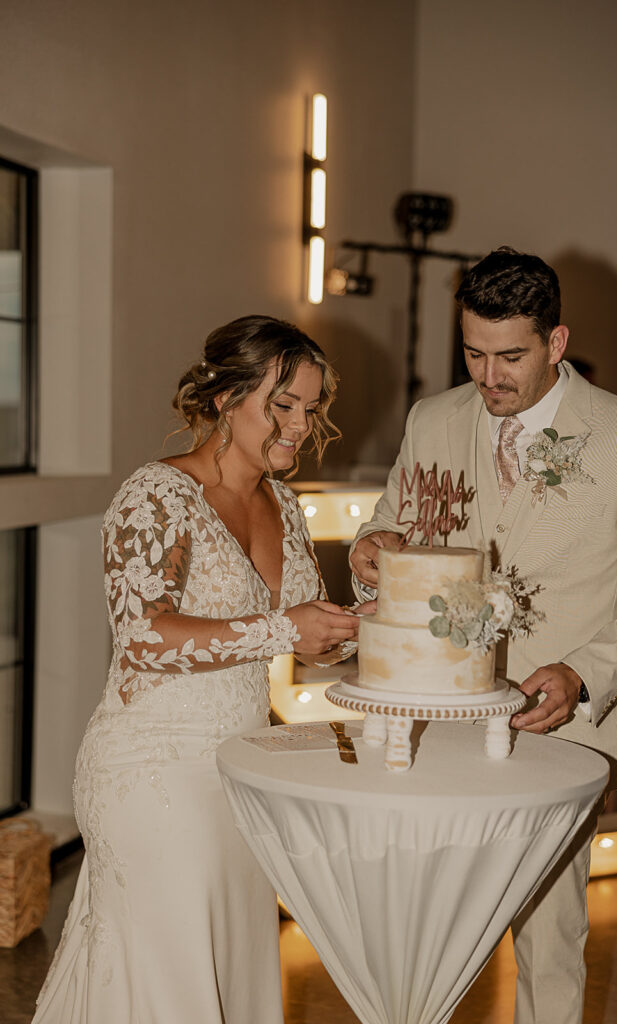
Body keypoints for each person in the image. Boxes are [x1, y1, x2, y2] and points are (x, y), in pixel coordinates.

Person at [350, 248, 617, 1024]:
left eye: (510, 357)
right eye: (473, 352)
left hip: (558, 723)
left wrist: (584, 672)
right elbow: (392, 525)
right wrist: (372, 554)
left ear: (556, 343)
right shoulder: (433, 418)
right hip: (433, 712)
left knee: (548, 934)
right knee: (419, 920)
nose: (489, 377)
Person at [34, 315, 372, 1024]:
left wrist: (351, 621)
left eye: (310, 409)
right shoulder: (155, 496)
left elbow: (304, 637)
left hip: (240, 774)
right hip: (151, 770)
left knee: (229, 968)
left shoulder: (284, 503)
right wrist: (287, 627)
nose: (300, 425)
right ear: (224, 398)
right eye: (282, 405)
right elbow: (144, 638)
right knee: (172, 982)